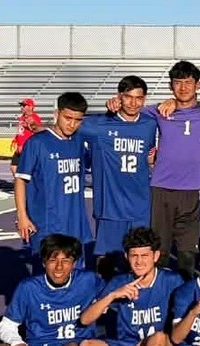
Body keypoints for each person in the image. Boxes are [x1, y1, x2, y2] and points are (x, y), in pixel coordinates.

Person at [42, 227, 184, 346]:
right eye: (134, 256)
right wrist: (113, 295)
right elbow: (85, 319)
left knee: (159, 337)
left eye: (144, 256)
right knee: (87, 345)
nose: (139, 262)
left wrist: (149, 343)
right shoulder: (119, 282)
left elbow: (180, 328)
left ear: (155, 256)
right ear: (126, 257)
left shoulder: (172, 281)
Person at [110, 60, 200, 280]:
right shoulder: (160, 110)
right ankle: (158, 297)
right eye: (178, 83)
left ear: (198, 85)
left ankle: (185, 300)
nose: (183, 88)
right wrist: (113, 103)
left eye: (188, 83)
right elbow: (130, 108)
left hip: (192, 191)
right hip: (161, 189)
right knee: (161, 251)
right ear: (170, 86)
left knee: (188, 253)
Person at [77, 76, 158, 280]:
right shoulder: (100, 124)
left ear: (145, 99)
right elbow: (68, 123)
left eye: (138, 98)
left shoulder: (150, 124)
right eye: (128, 97)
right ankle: (104, 304)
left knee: (139, 261)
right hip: (110, 206)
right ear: (119, 97)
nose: (133, 103)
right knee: (107, 262)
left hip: (140, 205)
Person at [13, 92, 91, 268]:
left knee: (75, 275)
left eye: (78, 120)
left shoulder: (79, 141)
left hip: (74, 222)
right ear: (57, 114)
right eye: (67, 118)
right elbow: (20, 179)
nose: (72, 124)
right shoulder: (37, 143)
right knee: (45, 277)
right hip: (47, 223)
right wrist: (22, 215)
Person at [10, 98, 43, 177]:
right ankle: (22, 184)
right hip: (20, 147)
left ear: (30, 107)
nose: (22, 107)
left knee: (27, 169)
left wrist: (30, 125)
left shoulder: (34, 117)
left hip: (27, 147)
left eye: (24, 105)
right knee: (14, 166)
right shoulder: (22, 117)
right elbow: (21, 132)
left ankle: (26, 185)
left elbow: (37, 130)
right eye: (22, 105)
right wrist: (16, 141)